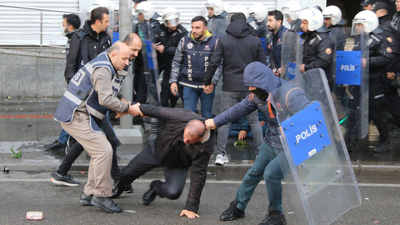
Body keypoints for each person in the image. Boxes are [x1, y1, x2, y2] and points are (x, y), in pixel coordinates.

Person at [205, 62, 309, 225]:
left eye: (254, 88)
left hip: (294, 144)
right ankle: (238, 207)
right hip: (272, 140)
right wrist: (215, 122)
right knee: (254, 172)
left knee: (271, 174)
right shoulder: (258, 94)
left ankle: (276, 215)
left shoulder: (291, 94)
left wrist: (292, 127)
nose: (250, 92)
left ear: (264, 83)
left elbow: (312, 118)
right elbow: (238, 109)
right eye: (250, 87)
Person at [54, 42, 139, 213]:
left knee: (99, 152)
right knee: (104, 151)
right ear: (113, 55)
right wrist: (128, 108)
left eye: (128, 58)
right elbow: (105, 99)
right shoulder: (103, 69)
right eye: (124, 58)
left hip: (78, 113)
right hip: (76, 115)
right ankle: (101, 196)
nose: (127, 62)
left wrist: (122, 104)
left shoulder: (105, 62)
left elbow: (107, 93)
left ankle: (89, 193)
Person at [112, 104, 215, 219]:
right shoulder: (181, 116)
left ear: (200, 138)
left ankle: (156, 187)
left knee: (173, 192)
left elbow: (198, 176)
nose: (185, 141)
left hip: (178, 164)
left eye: (190, 141)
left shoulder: (205, 147)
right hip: (156, 151)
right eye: (185, 136)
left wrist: (191, 207)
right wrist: (131, 108)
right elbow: (157, 110)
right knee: (126, 173)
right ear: (186, 126)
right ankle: (120, 187)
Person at [203, 12, 266, 166]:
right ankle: (260, 153)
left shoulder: (224, 41)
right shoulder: (254, 41)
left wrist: (207, 81)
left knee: (224, 121)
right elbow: (263, 65)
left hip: (229, 86)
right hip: (250, 88)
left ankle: (221, 155)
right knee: (254, 121)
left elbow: (214, 62)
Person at [355, 10, 395, 152]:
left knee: (376, 112)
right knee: (358, 111)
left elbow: (386, 58)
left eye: (360, 24)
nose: (357, 27)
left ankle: (386, 141)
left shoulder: (379, 40)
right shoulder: (360, 39)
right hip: (361, 81)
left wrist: (369, 61)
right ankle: (353, 140)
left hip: (375, 82)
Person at [170, 16, 221, 119]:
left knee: (207, 117)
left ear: (205, 28)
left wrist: (213, 82)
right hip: (188, 85)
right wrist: (173, 81)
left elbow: (219, 64)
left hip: (207, 86)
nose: (194, 31)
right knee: (189, 117)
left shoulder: (215, 42)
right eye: (192, 27)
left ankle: (208, 135)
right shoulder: (184, 41)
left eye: (197, 28)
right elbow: (176, 62)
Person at [44, 14, 81, 151]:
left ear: (70, 26)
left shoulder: (78, 40)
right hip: (73, 83)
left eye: (63, 24)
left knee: (70, 112)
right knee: (71, 112)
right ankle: (64, 140)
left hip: (77, 84)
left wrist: (74, 82)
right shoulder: (72, 39)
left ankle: (64, 141)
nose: (62, 27)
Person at [372, 1, 400, 138]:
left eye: (374, 11)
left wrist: (390, 71)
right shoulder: (384, 25)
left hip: (388, 70)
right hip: (386, 70)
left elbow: (392, 52)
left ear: (381, 12)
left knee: (392, 100)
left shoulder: (386, 27)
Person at [157, 7, 188, 108]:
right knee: (165, 92)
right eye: (170, 22)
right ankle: (163, 116)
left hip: (179, 68)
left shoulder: (182, 32)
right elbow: (155, 37)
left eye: (174, 21)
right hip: (166, 67)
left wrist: (165, 49)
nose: (172, 24)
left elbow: (182, 50)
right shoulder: (161, 29)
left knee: (180, 93)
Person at [299, 8, 335, 89]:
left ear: (313, 23)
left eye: (304, 23)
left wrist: (306, 67)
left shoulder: (324, 40)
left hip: (320, 82)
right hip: (310, 78)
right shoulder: (308, 37)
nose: (301, 26)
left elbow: (323, 61)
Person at [134, 1, 161, 104]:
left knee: (144, 88)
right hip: (140, 62)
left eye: (140, 14)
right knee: (137, 85)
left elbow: (148, 41)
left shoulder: (154, 26)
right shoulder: (139, 25)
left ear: (146, 14)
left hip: (150, 64)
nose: (138, 16)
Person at [267, 10, 288, 76]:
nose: (267, 24)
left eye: (270, 21)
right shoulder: (272, 36)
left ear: (279, 22)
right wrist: (274, 68)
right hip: (278, 75)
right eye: (267, 21)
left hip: (288, 77)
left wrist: (285, 68)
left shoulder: (288, 34)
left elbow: (294, 57)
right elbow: (272, 55)